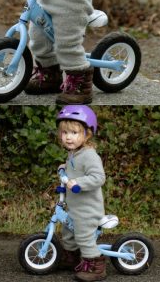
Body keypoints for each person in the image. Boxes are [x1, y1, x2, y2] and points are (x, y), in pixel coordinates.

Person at [55, 105, 107, 281]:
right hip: (75, 208)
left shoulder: (89, 155)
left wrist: (77, 182)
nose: (69, 137)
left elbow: (98, 177)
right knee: (68, 233)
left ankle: (96, 266)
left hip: (88, 210)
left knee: (84, 237)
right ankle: (72, 257)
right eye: (65, 133)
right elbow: (73, 169)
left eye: (74, 132)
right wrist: (64, 169)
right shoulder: (73, 153)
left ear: (87, 134)